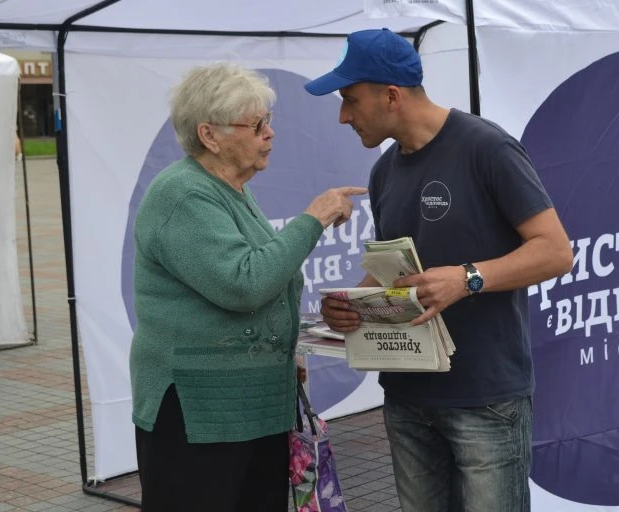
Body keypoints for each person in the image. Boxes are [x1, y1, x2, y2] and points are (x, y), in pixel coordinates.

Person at [307, 28, 574, 512]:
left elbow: (555, 251)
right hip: (407, 398)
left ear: (391, 96)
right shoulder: (384, 172)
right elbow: (394, 272)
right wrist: (351, 304)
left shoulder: (487, 148)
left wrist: (467, 278)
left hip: (485, 398)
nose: (344, 116)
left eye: (350, 100)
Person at [129, 63, 366, 511]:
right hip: (201, 415)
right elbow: (245, 284)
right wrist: (313, 218)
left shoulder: (229, 189)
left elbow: (266, 280)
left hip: (247, 409)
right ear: (209, 135)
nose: (269, 133)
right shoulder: (183, 194)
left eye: (267, 121)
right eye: (256, 125)